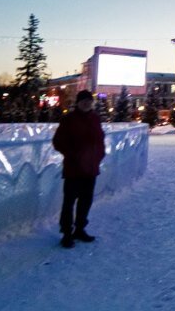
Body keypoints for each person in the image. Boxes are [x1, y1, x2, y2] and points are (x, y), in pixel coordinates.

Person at [52, 89, 106, 248]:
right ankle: (67, 233)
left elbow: (100, 140)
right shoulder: (69, 119)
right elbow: (58, 142)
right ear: (78, 103)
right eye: (83, 101)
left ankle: (80, 229)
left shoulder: (95, 118)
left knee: (85, 201)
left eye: (89, 101)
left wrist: (98, 156)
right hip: (73, 169)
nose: (86, 103)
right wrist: (73, 155)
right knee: (69, 202)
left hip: (91, 169)